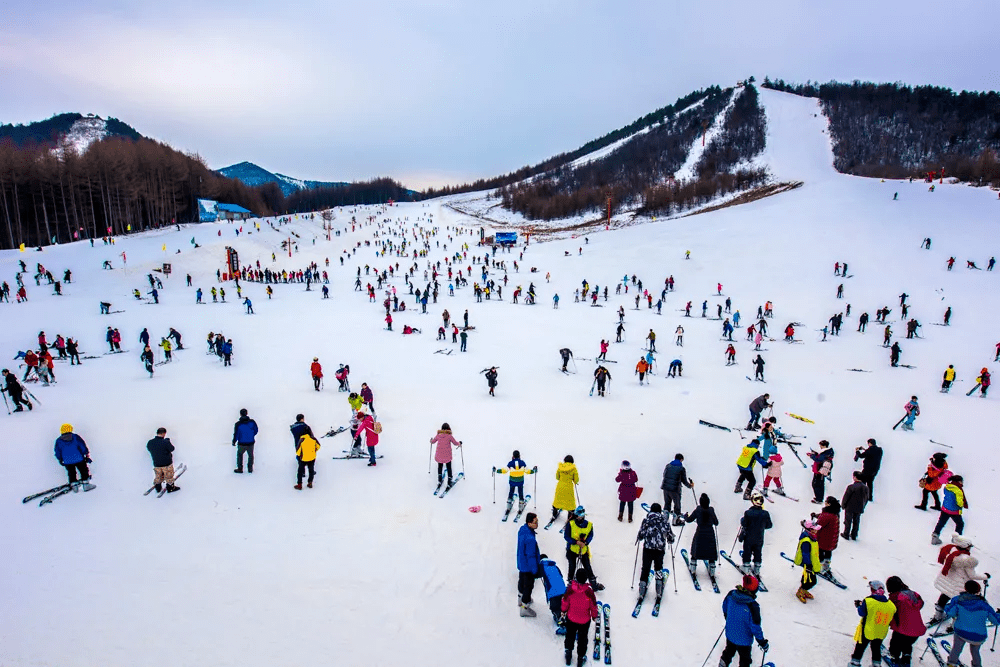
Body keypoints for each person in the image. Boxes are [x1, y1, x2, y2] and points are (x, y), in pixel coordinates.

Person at [931, 534, 989, 624]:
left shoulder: (950, 551)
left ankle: (938, 615)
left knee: (944, 596)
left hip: (948, 581)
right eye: (970, 546)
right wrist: (985, 576)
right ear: (966, 546)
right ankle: (954, 625)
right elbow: (972, 575)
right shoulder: (966, 560)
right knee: (959, 605)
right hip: (960, 585)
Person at [943, 580, 1000, 667]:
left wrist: (948, 606)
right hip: (978, 636)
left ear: (965, 588)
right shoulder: (984, 604)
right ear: (978, 590)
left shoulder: (958, 600)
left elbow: (950, 613)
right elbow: (995, 621)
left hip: (960, 632)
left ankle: (951, 663)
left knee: (956, 649)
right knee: (975, 652)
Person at [720, 574, 768, 667]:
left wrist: (729, 619)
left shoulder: (731, 595)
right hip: (744, 640)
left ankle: (722, 665)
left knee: (728, 652)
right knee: (745, 660)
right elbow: (756, 627)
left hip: (730, 634)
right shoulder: (753, 606)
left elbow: (724, 607)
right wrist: (762, 642)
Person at [848, 580, 896, 667]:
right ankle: (876, 664)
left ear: (872, 590)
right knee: (876, 648)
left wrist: (859, 606)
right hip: (881, 631)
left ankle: (855, 663)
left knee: (860, 646)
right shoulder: (891, 605)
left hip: (868, 629)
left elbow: (862, 613)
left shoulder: (868, 601)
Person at [634, 503, 674, 603]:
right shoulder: (665, 521)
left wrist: (639, 537)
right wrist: (670, 540)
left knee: (645, 568)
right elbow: (670, 536)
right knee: (658, 568)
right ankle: (659, 590)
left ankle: (642, 590)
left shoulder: (647, 521)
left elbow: (641, 534)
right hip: (659, 550)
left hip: (648, 548)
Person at [561, 569, 599, 667]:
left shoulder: (570, 589)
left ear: (576, 577)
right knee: (582, 639)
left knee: (570, 636)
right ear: (586, 579)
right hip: (584, 621)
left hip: (571, 618)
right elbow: (593, 606)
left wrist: (563, 611)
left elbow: (565, 601)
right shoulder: (589, 592)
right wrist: (594, 616)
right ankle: (580, 659)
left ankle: (568, 655)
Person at [886, 576, 926, 667]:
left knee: (895, 643)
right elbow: (920, 604)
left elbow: (890, 611)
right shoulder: (913, 594)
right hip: (917, 629)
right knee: (907, 645)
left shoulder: (895, 598)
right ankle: (906, 659)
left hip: (902, 629)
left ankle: (894, 657)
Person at [563, 507, 603, 592]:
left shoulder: (589, 525)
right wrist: (576, 542)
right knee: (572, 567)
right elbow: (566, 536)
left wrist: (586, 542)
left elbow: (590, 535)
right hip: (572, 549)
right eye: (579, 516)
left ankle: (594, 585)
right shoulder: (570, 524)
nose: (580, 518)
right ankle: (570, 585)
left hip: (583, 549)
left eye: (582, 516)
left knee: (588, 567)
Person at [685, 493, 719, 578]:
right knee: (710, 551)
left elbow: (689, 520)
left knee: (696, 550)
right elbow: (716, 522)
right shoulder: (711, 510)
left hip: (700, 532)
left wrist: (685, 516)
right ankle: (712, 570)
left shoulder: (698, 509)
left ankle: (693, 568)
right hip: (710, 533)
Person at [739, 491, 772, 577]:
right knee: (758, 551)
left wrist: (742, 520)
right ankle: (757, 568)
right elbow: (769, 525)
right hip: (759, 537)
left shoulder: (748, 513)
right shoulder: (765, 513)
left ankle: (746, 566)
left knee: (747, 550)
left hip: (749, 536)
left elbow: (744, 524)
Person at [517, 512, 541, 617]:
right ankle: (525, 607)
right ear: (529, 523)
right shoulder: (530, 539)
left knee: (521, 581)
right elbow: (531, 556)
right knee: (528, 586)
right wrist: (535, 570)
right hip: (528, 567)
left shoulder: (522, 530)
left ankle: (520, 598)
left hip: (521, 563)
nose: (537, 524)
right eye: (535, 522)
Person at [931, 476, 968, 543]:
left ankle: (935, 535)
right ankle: (956, 539)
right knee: (960, 524)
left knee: (941, 522)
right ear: (958, 482)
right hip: (954, 511)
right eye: (961, 481)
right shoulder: (958, 490)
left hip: (945, 508)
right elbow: (959, 503)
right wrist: (962, 504)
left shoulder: (947, 486)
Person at [661, 453, 693, 526]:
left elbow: (664, 475)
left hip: (665, 487)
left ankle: (665, 519)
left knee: (667, 503)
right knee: (677, 505)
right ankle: (675, 521)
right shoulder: (681, 469)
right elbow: (684, 481)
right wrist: (690, 486)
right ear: (681, 460)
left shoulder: (668, 466)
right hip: (675, 489)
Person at [793, 520, 821, 603]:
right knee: (811, 581)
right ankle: (801, 591)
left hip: (812, 562)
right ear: (810, 530)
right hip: (809, 564)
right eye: (815, 529)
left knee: (808, 579)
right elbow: (805, 553)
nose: (816, 530)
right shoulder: (806, 541)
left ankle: (803, 590)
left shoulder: (812, 537)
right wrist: (808, 565)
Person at [539, 555, 568, 634]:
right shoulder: (554, 565)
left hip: (553, 590)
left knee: (555, 608)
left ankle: (562, 624)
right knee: (563, 605)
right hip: (562, 588)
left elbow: (536, 574)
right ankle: (567, 618)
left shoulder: (542, 565)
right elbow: (561, 575)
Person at [146, 427, 180, 494]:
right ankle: (170, 488)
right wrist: (168, 442)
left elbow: (149, 448)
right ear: (164, 433)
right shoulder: (165, 442)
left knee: (158, 475)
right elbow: (172, 449)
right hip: (167, 463)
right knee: (169, 476)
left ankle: (158, 487)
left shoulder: (150, 442)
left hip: (156, 463)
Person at [841, 471, 870, 540]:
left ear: (855, 477)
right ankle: (854, 534)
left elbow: (846, 497)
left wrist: (843, 505)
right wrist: (863, 506)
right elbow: (866, 498)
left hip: (850, 507)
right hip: (859, 507)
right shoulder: (866, 488)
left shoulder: (851, 487)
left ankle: (846, 533)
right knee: (856, 521)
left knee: (848, 521)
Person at [551, 455, 579, 523]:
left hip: (560, 486)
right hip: (568, 487)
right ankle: (570, 516)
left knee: (557, 500)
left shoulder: (560, 467)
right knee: (570, 503)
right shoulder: (573, 468)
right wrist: (575, 481)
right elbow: (576, 480)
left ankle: (554, 513)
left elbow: (557, 477)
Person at [232, 408, 258, 473]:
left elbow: (236, 434)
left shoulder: (238, 424)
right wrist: (251, 435)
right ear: (247, 413)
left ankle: (240, 468)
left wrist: (234, 441)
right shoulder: (252, 422)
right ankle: (250, 468)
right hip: (250, 442)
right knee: (250, 455)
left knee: (240, 455)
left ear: (240, 414)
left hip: (241, 443)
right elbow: (256, 430)